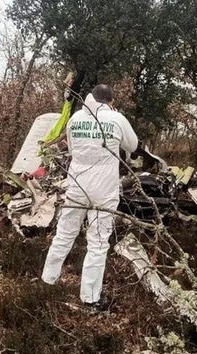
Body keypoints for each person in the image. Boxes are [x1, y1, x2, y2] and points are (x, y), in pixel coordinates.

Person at [41, 84, 138, 309]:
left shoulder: (75, 119)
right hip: (104, 190)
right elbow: (132, 145)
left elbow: (73, 150)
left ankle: (48, 281)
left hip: (77, 185)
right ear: (110, 102)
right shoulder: (117, 118)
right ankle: (90, 297)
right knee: (97, 243)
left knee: (64, 234)